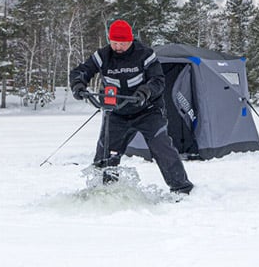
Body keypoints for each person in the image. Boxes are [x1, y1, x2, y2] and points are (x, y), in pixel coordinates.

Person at [69, 19, 194, 195]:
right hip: (116, 113)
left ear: (130, 40)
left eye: (122, 43)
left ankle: (182, 189)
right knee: (106, 153)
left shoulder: (145, 54)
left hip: (148, 111)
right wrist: (78, 85)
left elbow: (158, 80)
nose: (118, 47)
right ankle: (104, 191)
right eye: (114, 43)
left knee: (161, 147)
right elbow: (80, 72)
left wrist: (145, 92)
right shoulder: (103, 55)